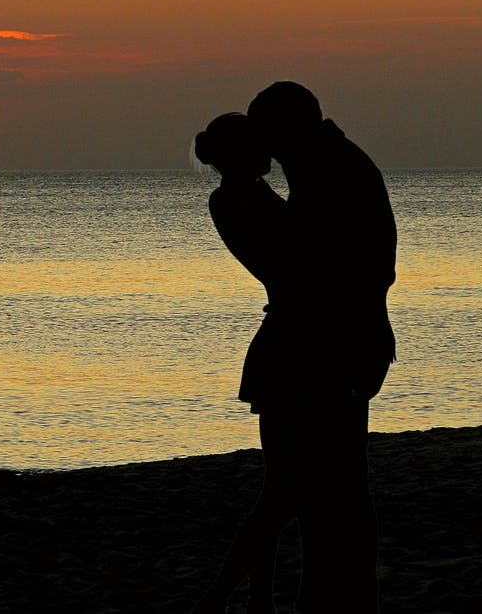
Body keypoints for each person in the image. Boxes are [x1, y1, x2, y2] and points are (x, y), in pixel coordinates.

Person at [246, 81, 396, 613]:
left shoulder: (331, 170)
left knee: (333, 490)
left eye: (265, 132)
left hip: (340, 347)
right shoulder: (324, 166)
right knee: (331, 489)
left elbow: (364, 269)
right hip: (344, 343)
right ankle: (341, 598)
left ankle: (341, 600)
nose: (262, 145)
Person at [191, 112, 300, 614]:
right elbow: (291, 254)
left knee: (277, 490)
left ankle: (257, 601)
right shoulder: (235, 199)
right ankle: (220, 599)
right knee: (281, 493)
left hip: (283, 342)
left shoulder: (245, 195)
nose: (269, 153)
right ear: (238, 153)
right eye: (258, 145)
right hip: (287, 347)